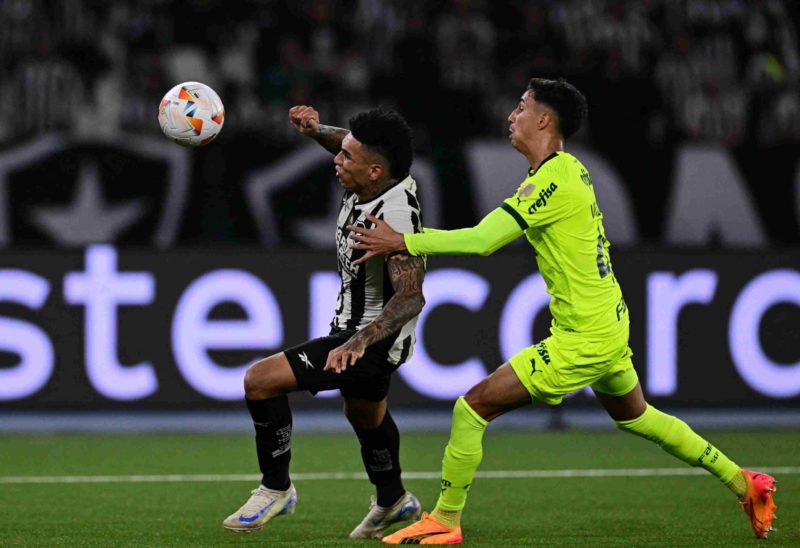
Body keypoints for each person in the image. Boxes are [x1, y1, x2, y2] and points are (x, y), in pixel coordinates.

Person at [348, 78, 778, 544]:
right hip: (607, 321)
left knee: (471, 408)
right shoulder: (566, 171)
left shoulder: (553, 180)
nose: (511, 116)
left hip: (585, 336)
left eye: (520, 107)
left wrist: (403, 240)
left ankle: (445, 519)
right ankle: (743, 482)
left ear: (544, 120)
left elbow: (483, 240)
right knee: (638, 417)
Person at [222, 106, 426, 539]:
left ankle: (275, 488)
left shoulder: (393, 218)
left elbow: (411, 297)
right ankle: (393, 500)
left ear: (374, 172)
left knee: (260, 380)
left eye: (347, 157)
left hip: (373, 338)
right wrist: (317, 131)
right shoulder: (375, 174)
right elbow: (346, 145)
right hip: (352, 329)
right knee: (365, 415)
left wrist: (357, 343)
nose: (337, 158)